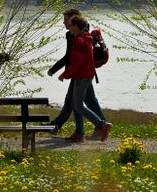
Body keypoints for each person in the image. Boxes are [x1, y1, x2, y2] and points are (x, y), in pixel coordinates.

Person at [44, 9, 109, 141]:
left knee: (75, 103)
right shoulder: (79, 35)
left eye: (66, 20)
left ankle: (99, 126)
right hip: (84, 73)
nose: (64, 23)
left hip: (80, 73)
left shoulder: (78, 37)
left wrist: (62, 73)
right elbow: (73, 57)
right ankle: (82, 130)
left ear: (74, 22)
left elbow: (74, 59)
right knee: (85, 101)